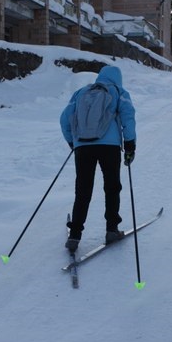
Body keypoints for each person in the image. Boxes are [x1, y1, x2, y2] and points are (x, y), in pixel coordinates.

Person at [60, 65, 136, 252]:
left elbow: (64, 119)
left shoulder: (81, 92)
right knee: (112, 188)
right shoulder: (119, 91)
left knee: (83, 190)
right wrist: (130, 146)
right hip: (109, 147)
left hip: (83, 147)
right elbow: (128, 118)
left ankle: (75, 235)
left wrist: (73, 142)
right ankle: (112, 230)